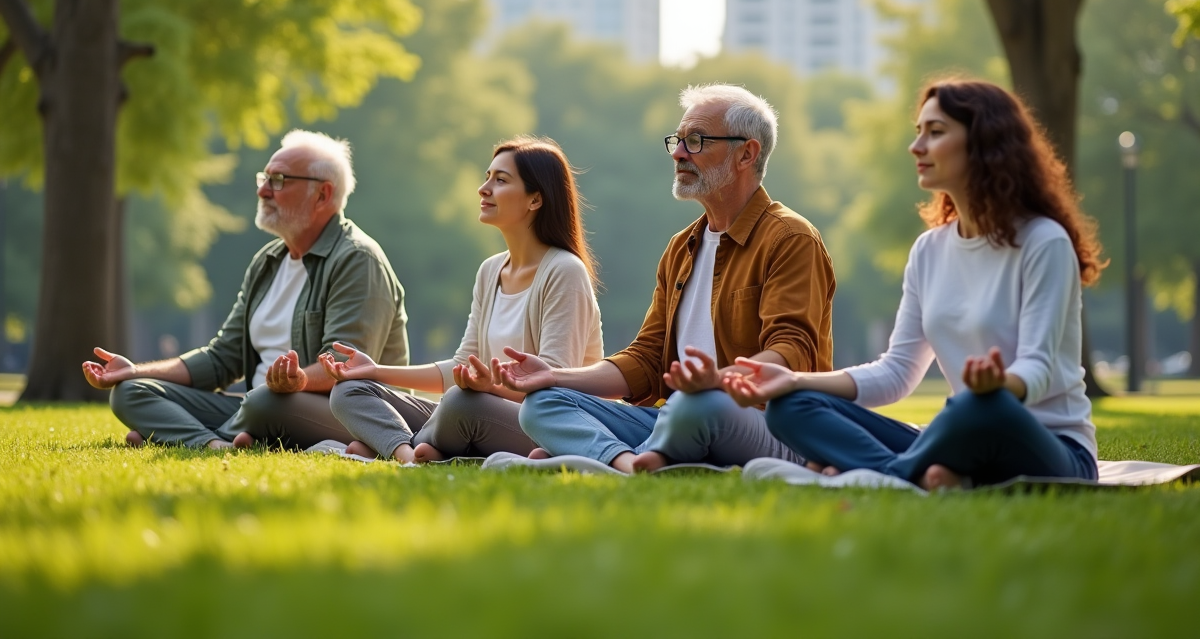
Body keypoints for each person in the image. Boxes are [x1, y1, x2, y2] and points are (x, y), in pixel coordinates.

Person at [724, 80, 1104, 490]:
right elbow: (897, 371)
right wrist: (795, 380)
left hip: (1050, 446)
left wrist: (998, 386)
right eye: (918, 131)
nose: (916, 146)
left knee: (977, 407)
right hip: (961, 434)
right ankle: (916, 476)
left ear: (985, 143)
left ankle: (879, 477)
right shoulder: (929, 250)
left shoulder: (1044, 241)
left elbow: (1039, 368)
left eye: (935, 132)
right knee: (790, 406)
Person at [496, 84, 836, 473]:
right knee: (543, 403)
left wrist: (718, 381)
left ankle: (599, 455)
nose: (678, 153)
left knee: (698, 404)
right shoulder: (681, 247)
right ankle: (627, 463)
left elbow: (792, 352)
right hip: (676, 416)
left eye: (696, 141)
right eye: (678, 140)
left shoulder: (790, 238)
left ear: (747, 153)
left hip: (765, 423)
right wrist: (553, 376)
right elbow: (646, 358)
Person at [82, 130, 409, 450]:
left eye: (278, 180)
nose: (263, 191)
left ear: (322, 195)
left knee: (265, 400)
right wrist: (134, 370)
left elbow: (345, 366)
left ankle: (183, 434)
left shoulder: (358, 260)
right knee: (130, 391)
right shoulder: (266, 262)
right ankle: (213, 444)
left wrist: (299, 382)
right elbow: (221, 358)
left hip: (341, 414)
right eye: (263, 178)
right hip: (259, 406)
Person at [320, 137, 603, 463]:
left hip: (543, 424)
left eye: (501, 180)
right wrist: (374, 371)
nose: (484, 189)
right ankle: (409, 452)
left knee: (461, 403)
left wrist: (489, 388)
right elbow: (461, 366)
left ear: (535, 199)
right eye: (487, 177)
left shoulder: (565, 271)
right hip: (475, 410)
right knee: (349, 391)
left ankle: (397, 446)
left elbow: (552, 389)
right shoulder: (490, 271)